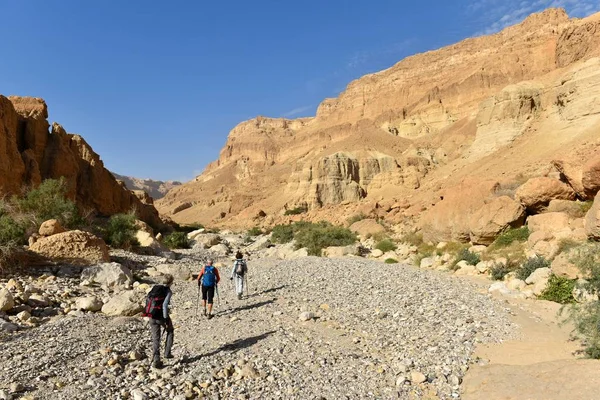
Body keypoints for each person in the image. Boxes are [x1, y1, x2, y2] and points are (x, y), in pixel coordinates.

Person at [143, 274, 174, 369]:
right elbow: (164, 306)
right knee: (170, 331)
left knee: (156, 338)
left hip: (151, 316)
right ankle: (167, 353)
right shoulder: (167, 291)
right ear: (170, 282)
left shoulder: (155, 288)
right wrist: (165, 319)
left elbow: (148, 300)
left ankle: (156, 359)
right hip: (161, 317)